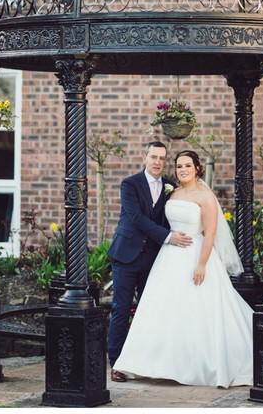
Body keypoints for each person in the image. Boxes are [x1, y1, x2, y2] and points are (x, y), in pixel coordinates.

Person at [113, 150, 254, 387]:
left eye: (188, 165)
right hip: (168, 257)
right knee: (161, 309)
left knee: (195, 309)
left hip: (194, 255)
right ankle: (149, 363)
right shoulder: (173, 191)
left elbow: (209, 233)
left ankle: (194, 364)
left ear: (197, 168)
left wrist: (201, 264)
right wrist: (167, 237)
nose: (183, 170)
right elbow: (150, 219)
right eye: (179, 166)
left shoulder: (205, 195)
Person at [107, 141, 192, 383]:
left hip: (155, 257)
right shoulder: (130, 184)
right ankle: (117, 363)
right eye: (153, 157)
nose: (157, 162)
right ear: (144, 157)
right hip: (126, 255)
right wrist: (168, 237)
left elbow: (175, 216)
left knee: (150, 311)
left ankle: (147, 362)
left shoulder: (170, 187)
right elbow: (135, 218)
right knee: (121, 309)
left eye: (162, 158)